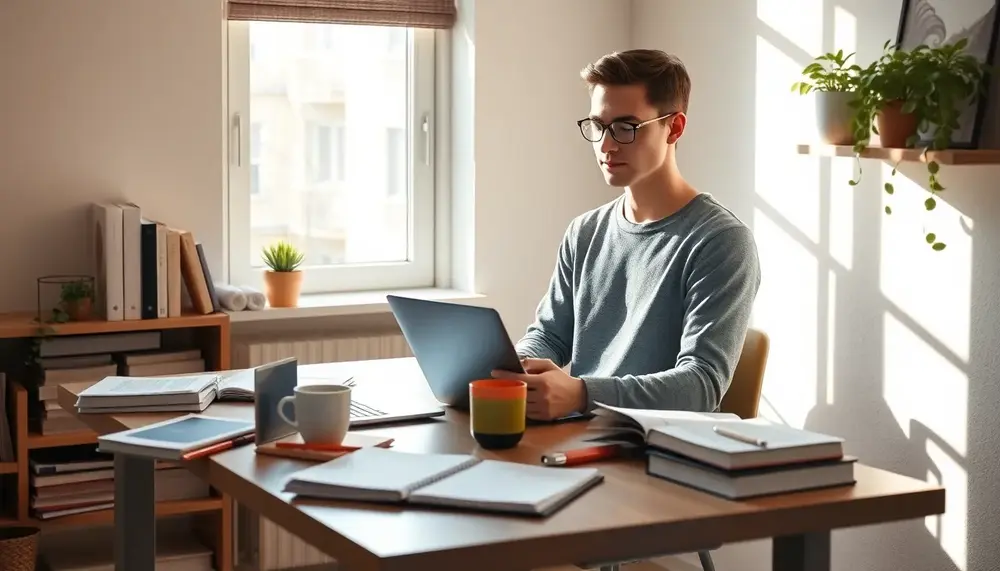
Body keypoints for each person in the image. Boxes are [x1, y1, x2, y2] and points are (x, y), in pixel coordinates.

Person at [493, 49, 761, 421]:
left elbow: (701, 385)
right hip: (583, 437)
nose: (605, 145)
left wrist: (581, 394)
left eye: (626, 127)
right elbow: (551, 336)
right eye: (598, 126)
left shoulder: (720, 242)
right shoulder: (585, 232)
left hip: (661, 455)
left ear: (675, 127)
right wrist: (516, 367)